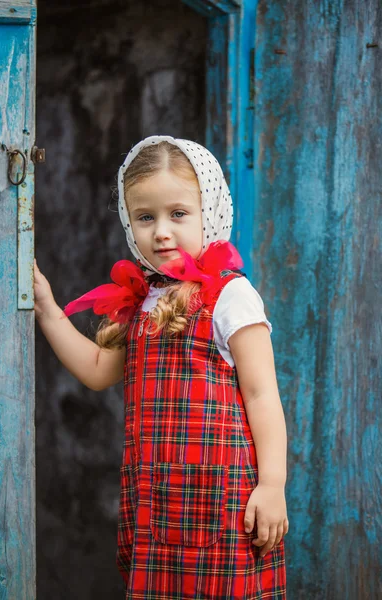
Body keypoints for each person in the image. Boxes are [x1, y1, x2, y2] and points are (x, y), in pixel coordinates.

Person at [34, 135, 288, 599]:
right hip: (155, 502)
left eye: (178, 214)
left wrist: (272, 484)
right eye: (145, 217)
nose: (161, 232)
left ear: (208, 211)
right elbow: (96, 370)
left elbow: (261, 394)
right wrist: (48, 309)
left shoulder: (230, 296)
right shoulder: (142, 299)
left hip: (221, 503)